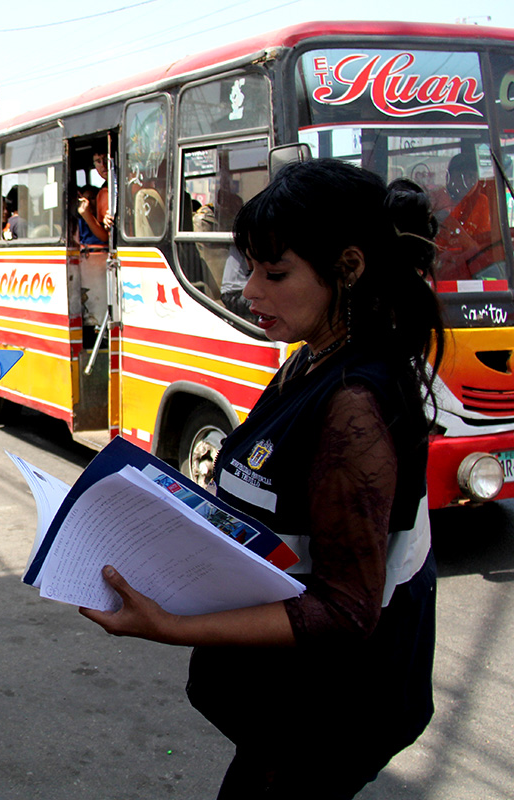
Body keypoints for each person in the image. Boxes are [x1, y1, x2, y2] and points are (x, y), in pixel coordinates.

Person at [79, 159, 443, 799]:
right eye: (249, 267)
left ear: (348, 268)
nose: (249, 291)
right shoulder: (311, 358)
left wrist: (169, 625)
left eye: (275, 274)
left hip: (322, 719)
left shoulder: (355, 404)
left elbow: (344, 610)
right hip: (283, 712)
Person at [436, 150, 501, 280]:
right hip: (440, 266)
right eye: (462, 177)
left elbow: (482, 242)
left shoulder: (481, 202)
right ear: (449, 177)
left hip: (469, 265)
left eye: (472, 177)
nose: (467, 182)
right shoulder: (436, 200)